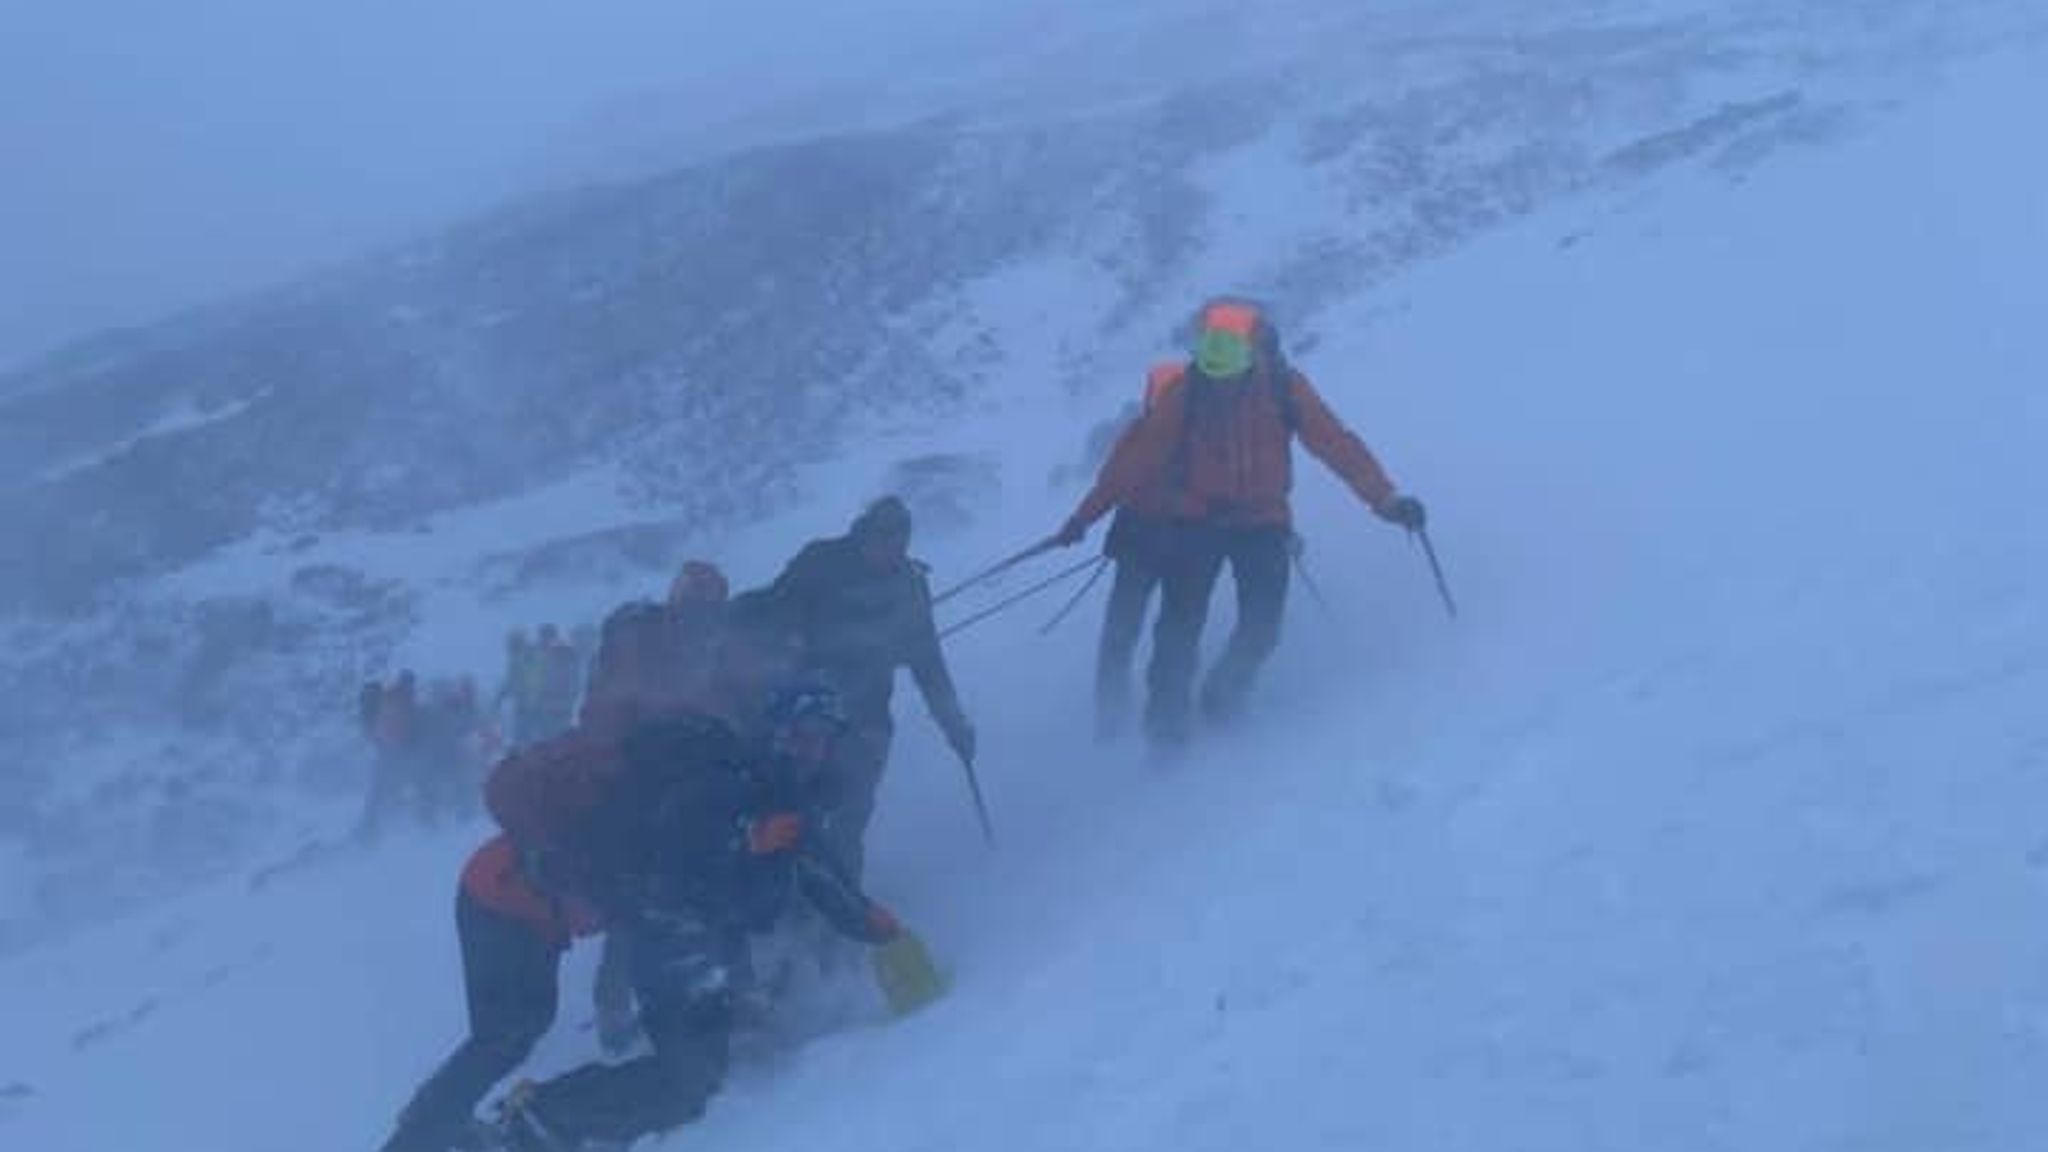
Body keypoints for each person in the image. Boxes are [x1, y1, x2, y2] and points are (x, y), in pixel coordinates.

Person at [376, 685, 905, 1152]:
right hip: (508, 895)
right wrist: (743, 842)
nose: (812, 750)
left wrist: (878, 927)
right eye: (802, 734)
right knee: (512, 1036)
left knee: (540, 1034)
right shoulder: (725, 783)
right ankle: (460, 1134)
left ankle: (501, 1124)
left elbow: (815, 873)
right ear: (777, 731)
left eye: (824, 739)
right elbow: (672, 875)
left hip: (562, 907)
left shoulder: (776, 796)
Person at [1053, 297, 1427, 749]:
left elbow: (1334, 444)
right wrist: (1083, 517)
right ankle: (1166, 737)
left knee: (1262, 621)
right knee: (1178, 631)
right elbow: (1135, 460)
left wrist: (1384, 499)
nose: (1219, 386)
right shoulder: (1186, 392)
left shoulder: (1285, 390)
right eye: (1210, 372)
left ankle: (1221, 699)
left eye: (1227, 374)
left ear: (1255, 359)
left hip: (1262, 519)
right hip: (1196, 522)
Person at [758, 497, 974, 878]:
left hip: (866, 718)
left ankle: (839, 902)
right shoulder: (821, 562)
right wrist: (791, 643)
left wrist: (953, 723)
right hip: (800, 718)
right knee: (790, 808)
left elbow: (929, 664)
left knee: (850, 813)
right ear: (865, 534)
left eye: (900, 541)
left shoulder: (909, 586)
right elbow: (774, 608)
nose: (893, 549)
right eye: (885, 539)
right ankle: (787, 897)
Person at [580, 560, 731, 736]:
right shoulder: (638, 627)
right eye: (695, 588)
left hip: (665, 735)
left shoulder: (718, 642)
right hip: (630, 733)